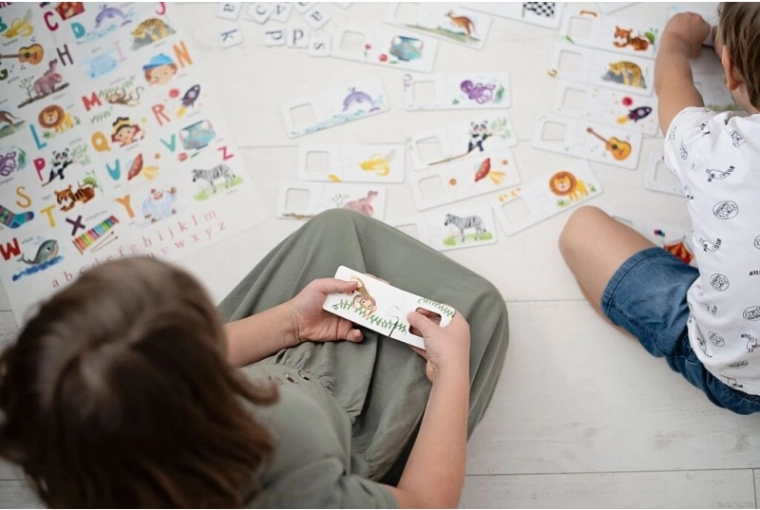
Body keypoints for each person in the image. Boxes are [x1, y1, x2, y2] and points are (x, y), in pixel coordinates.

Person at [0, 209, 509, 507]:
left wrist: (291, 322)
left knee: (338, 228)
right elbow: (425, 503)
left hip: (283, 374)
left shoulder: (91, 450)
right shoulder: (283, 466)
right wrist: (451, 374)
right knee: (479, 311)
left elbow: (183, 360)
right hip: (339, 426)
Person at [559, 3, 760, 414]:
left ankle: (665, 340)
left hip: (739, 382)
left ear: (730, 69)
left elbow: (673, 89)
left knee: (581, 230)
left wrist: (675, 41)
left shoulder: (710, 145)